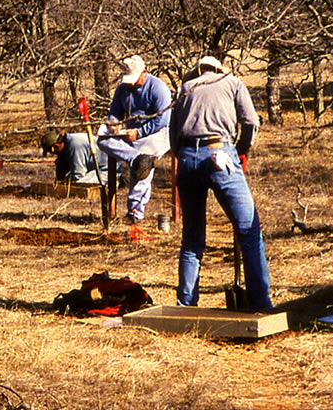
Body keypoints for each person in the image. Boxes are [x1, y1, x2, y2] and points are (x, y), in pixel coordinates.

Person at [169, 55, 272, 311]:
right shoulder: (233, 83)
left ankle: (186, 305)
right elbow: (250, 121)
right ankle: (260, 304)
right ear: (218, 70)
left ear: (199, 71)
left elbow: (173, 136)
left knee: (192, 239)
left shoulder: (185, 89)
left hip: (186, 160)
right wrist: (241, 149)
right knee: (249, 231)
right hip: (220, 152)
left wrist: (185, 156)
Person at [97, 54, 171, 223]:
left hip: (156, 134)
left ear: (144, 72)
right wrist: (113, 123)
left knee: (144, 159)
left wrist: (140, 133)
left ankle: (135, 211)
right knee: (103, 140)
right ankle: (135, 158)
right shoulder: (122, 89)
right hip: (130, 133)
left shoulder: (159, 88)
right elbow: (114, 111)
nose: (131, 83)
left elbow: (162, 120)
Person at [41, 129, 108, 184]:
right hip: (92, 169)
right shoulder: (65, 145)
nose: (53, 153)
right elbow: (61, 170)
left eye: (52, 151)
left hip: (106, 170)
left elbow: (78, 174)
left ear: (56, 146)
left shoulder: (75, 146)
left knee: (82, 183)